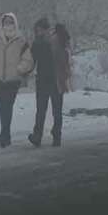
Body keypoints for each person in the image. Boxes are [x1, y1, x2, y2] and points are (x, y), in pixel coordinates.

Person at [0, 13, 33, 148]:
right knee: (2, 107)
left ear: (15, 23)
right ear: (2, 23)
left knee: (8, 106)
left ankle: (5, 134)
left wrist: (19, 70)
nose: (8, 24)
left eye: (11, 21)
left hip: (12, 79)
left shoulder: (21, 39)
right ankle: (5, 134)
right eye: (6, 21)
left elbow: (28, 59)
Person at [28, 17, 64, 147]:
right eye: (37, 31)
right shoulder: (37, 43)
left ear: (46, 29)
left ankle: (56, 135)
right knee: (42, 110)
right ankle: (38, 136)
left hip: (55, 80)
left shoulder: (56, 42)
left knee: (56, 110)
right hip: (43, 80)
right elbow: (31, 61)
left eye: (40, 30)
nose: (38, 33)